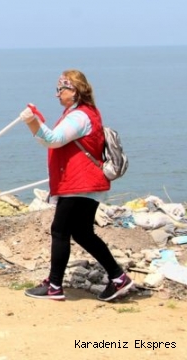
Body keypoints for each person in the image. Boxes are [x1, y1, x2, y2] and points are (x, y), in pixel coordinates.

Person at [18, 69, 133, 302]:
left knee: (60, 231)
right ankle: (118, 278)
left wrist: (31, 121)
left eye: (61, 89)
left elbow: (53, 140)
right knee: (82, 233)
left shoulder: (79, 116)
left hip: (79, 182)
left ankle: (54, 286)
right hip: (86, 182)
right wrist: (35, 124)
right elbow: (52, 141)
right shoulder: (83, 113)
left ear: (75, 91)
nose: (57, 94)